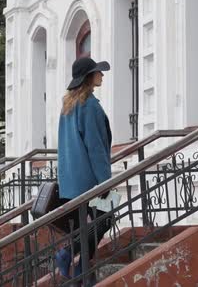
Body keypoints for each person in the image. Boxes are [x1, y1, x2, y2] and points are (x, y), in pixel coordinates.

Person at [54, 57, 113, 283]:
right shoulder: (89, 105)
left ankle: (81, 272)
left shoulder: (69, 104)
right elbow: (95, 147)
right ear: (89, 77)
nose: (102, 75)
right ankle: (67, 255)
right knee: (106, 218)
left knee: (87, 227)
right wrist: (105, 183)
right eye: (98, 72)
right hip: (90, 180)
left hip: (71, 180)